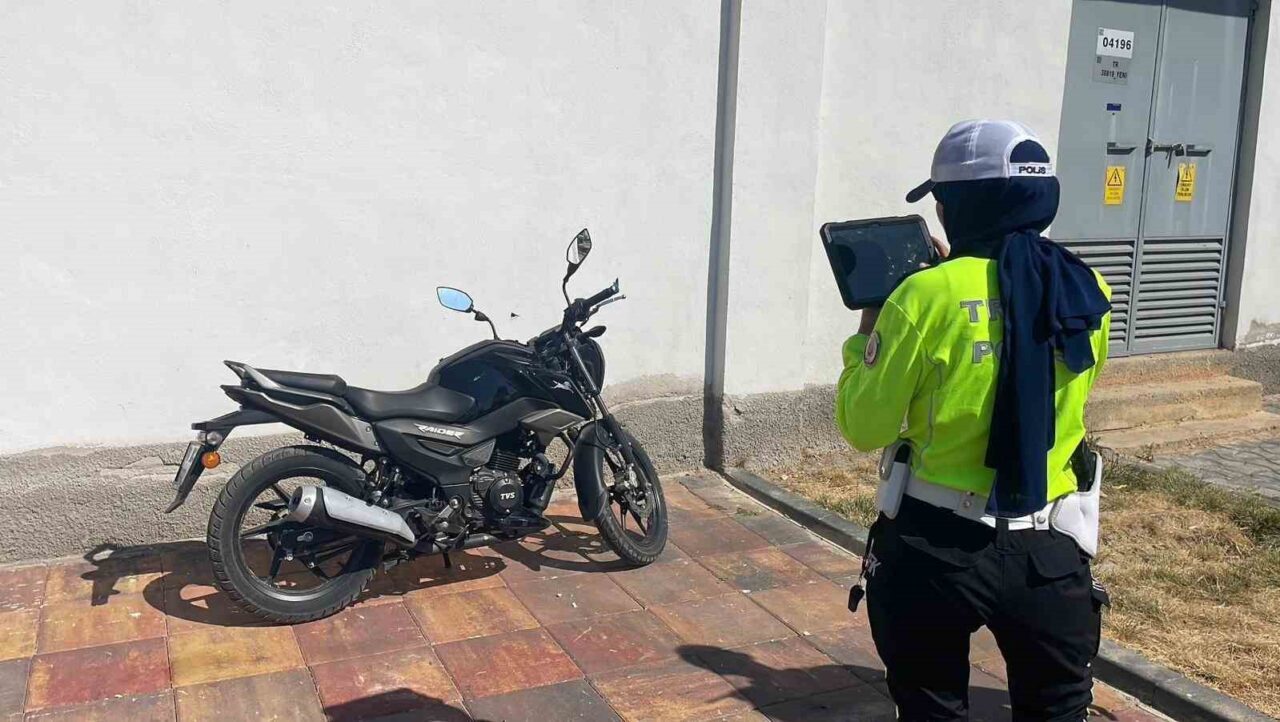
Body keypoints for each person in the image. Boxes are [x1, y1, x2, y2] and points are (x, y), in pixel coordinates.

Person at [835, 120, 1113, 722]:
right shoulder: (1087, 287)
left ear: (960, 206)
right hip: (1052, 547)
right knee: (1058, 708)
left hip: (937, 547)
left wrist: (872, 325)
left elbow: (864, 425)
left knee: (931, 705)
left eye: (941, 199)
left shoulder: (923, 297)